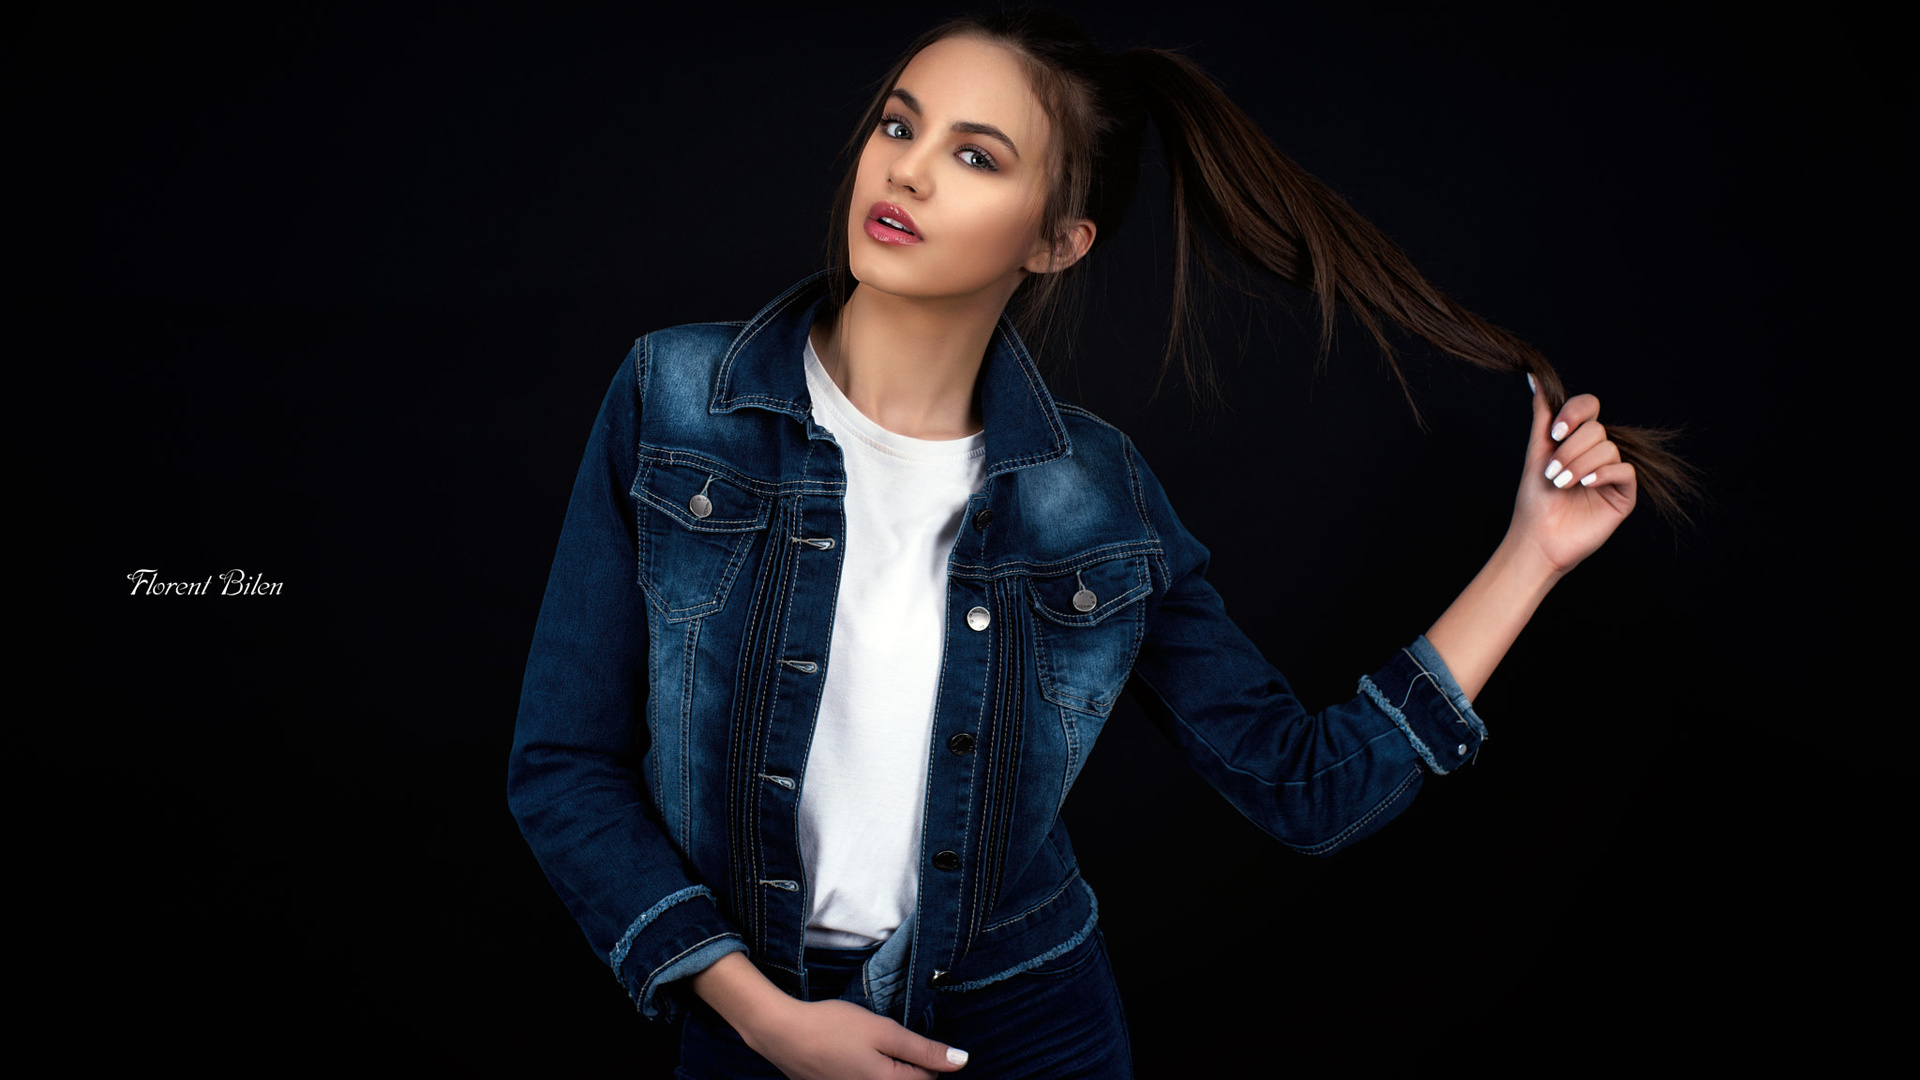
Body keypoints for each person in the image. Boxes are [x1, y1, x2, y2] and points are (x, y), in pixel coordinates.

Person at [509, 10, 1692, 1079]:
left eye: (976, 156)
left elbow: (1305, 786)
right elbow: (564, 766)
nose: (908, 170)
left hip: (1026, 1034)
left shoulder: (1099, 494)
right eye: (899, 124)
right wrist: (759, 1015)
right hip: (751, 1026)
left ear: (1057, 242)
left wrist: (1532, 553)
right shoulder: (672, 398)